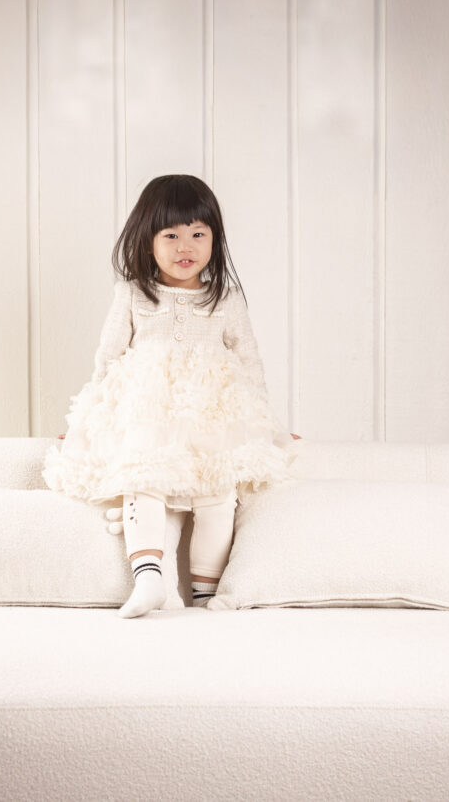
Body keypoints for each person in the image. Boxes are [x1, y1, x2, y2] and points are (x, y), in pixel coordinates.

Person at [43, 174, 301, 618]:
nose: (187, 246)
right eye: (172, 235)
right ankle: (149, 579)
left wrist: (269, 429)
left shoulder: (226, 299)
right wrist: (81, 424)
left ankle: (206, 592)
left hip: (212, 415)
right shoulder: (132, 295)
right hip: (147, 413)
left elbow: (250, 363)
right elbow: (106, 361)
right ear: (148, 243)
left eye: (199, 234)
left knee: (217, 496)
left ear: (215, 241)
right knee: (141, 483)